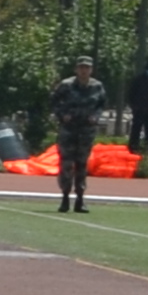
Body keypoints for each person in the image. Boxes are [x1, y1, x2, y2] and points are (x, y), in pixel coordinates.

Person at [50, 57, 104, 216]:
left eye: (87, 68)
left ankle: (80, 199)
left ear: (91, 70)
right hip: (69, 130)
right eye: (81, 67)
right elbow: (54, 101)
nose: (84, 70)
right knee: (66, 164)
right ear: (76, 69)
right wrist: (62, 115)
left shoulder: (97, 86)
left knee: (82, 164)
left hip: (86, 130)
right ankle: (65, 197)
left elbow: (101, 104)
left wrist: (96, 117)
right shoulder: (66, 85)